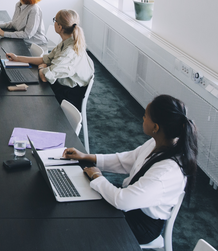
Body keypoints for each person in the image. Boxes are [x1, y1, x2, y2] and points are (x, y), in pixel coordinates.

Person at [61, 95, 198, 245]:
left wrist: (97, 177)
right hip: (131, 202)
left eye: (145, 116)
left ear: (155, 127)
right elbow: (126, 161)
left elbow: (122, 201)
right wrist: (87, 157)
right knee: (81, 205)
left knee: (84, 225)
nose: (142, 118)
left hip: (141, 224)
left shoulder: (166, 171)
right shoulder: (159, 141)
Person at [5, 9, 94, 108]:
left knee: (25, 100)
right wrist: (17, 58)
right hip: (62, 84)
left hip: (68, 95)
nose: (54, 23)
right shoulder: (68, 41)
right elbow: (45, 60)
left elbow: (44, 77)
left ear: (60, 27)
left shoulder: (69, 52)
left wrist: (41, 68)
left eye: (54, 20)